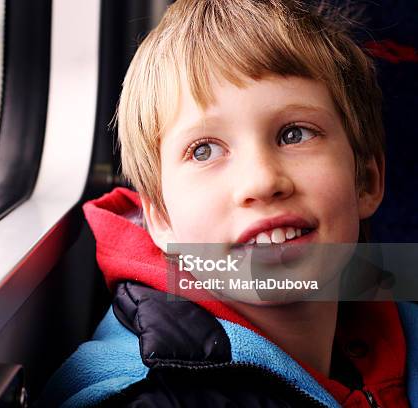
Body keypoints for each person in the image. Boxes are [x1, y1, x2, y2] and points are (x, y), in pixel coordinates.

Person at [38, 0, 418, 406]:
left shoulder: (400, 331)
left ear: (366, 181)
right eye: (204, 150)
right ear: (160, 218)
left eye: (295, 134)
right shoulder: (152, 397)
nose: (262, 181)